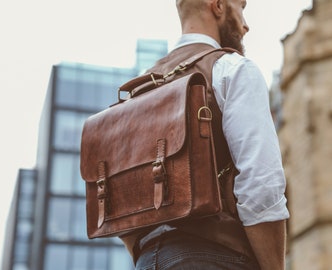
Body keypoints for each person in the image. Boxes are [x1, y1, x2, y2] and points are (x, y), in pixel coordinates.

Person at [120, 0, 290, 269]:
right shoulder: (233, 69)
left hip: (146, 260)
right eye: (241, 7)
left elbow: (125, 198)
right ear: (218, 5)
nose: (246, 25)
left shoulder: (138, 90)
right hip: (217, 257)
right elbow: (261, 188)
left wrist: (151, 251)